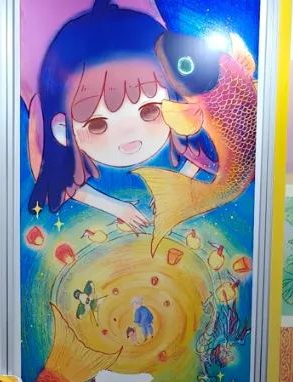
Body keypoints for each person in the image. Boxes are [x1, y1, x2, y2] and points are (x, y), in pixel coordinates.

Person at [25, 0, 214, 228]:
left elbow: (200, 155)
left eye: (150, 111)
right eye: (97, 125)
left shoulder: (189, 130)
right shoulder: (53, 136)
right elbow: (61, 182)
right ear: (62, 130)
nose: (129, 133)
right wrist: (118, 208)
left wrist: (175, 187)